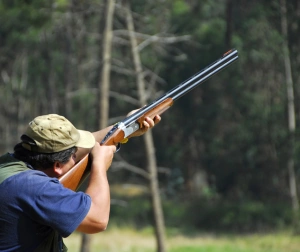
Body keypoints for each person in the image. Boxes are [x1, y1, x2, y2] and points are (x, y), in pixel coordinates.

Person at [0, 112, 161, 252]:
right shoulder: (35, 188)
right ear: (57, 165)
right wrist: (99, 166)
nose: (77, 157)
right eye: (74, 156)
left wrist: (128, 126)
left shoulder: (9, 166)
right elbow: (97, 220)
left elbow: (89, 142)